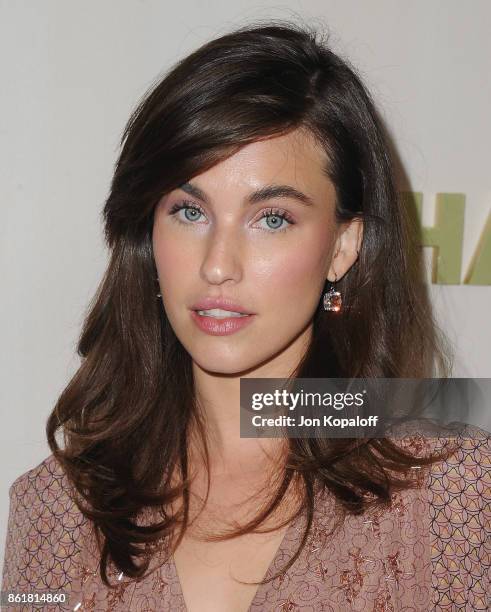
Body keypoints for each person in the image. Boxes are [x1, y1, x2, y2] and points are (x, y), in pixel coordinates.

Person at [2, 20, 490, 612]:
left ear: (343, 246)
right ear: (146, 233)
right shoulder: (56, 507)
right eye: (188, 211)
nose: (217, 265)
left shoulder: (455, 486)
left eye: (273, 218)